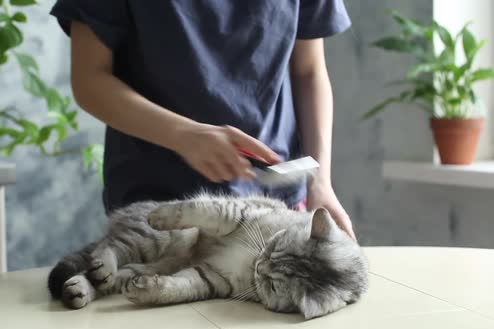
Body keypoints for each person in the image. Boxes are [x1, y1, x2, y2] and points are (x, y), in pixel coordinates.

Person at [50, 0, 356, 239]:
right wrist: (183, 135)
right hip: (158, 207)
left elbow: (309, 72)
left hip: (278, 206)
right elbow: (90, 81)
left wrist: (321, 182)